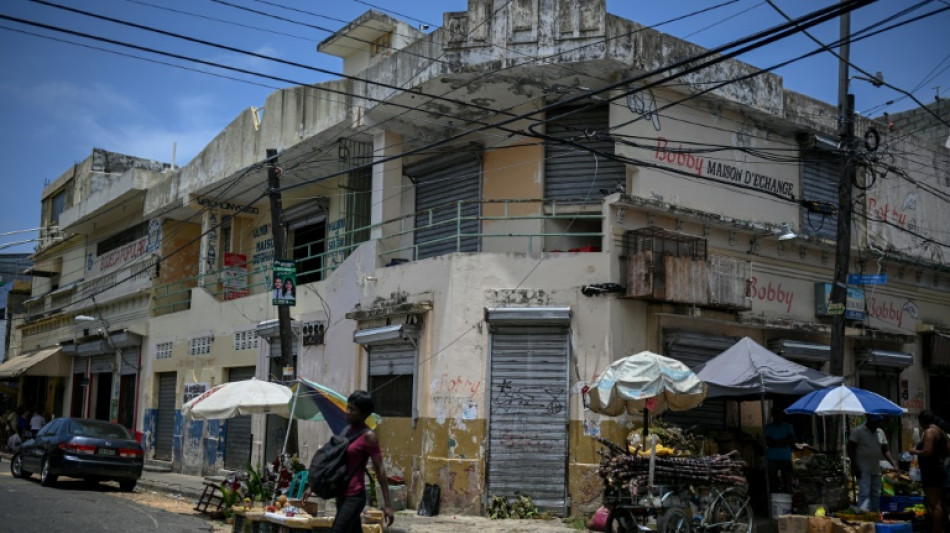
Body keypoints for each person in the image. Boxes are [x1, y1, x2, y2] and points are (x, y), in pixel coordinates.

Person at [304, 391, 393, 532]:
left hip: (355, 496)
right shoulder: (346, 431)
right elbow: (333, 461)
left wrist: (387, 504)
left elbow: (380, 469)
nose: (347, 412)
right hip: (341, 493)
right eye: (348, 407)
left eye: (352, 409)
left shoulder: (369, 436)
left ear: (364, 414)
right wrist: (312, 486)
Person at [908, 410, 947, 533]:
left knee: (935, 504)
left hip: (932, 471)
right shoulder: (940, 431)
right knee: (940, 503)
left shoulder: (930, 432)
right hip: (938, 470)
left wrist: (914, 451)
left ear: (923, 421)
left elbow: (927, 451)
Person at [848, 414, 889, 511]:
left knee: (876, 493)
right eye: (875, 422)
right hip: (863, 468)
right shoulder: (858, 431)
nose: (877, 425)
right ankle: (863, 515)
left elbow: (885, 450)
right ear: (869, 421)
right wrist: (854, 465)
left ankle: (874, 514)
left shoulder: (880, 432)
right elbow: (850, 448)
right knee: (864, 493)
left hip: (876, 468)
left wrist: (893, 463)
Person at [765, 405, 795, 493]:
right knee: (773, 482)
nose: (777, 415)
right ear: (773, 415)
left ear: (782, 415)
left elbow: (790, 440)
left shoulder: (788, 426)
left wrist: (775, 442)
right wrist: (782, 442)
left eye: (779, 413)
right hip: (772, 458)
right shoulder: (769, 427)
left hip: (785, 458)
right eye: (775, 413)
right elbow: (768, 441)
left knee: (787, 481)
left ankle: (787, 497)